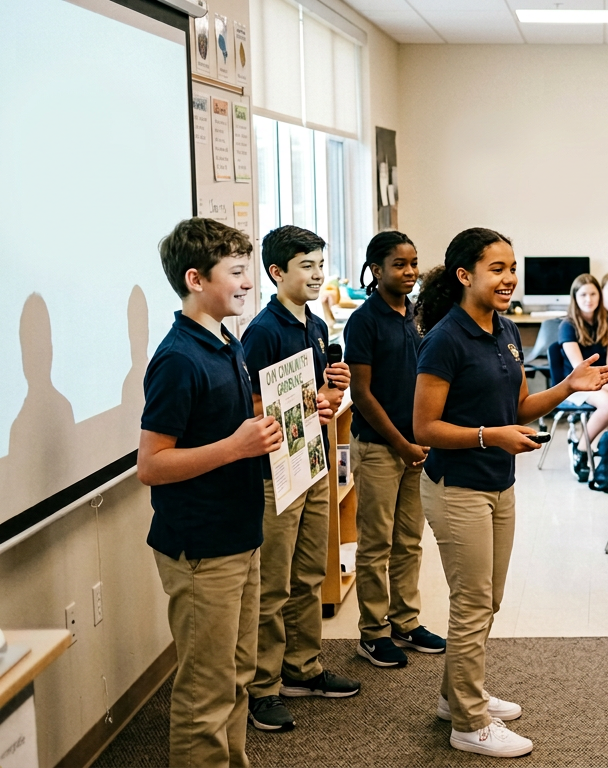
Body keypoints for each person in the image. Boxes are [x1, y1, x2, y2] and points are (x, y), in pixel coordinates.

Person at [413, 228, 608, 757]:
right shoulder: (445, 338)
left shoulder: (505, 329)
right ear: (465, 276)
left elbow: (519, 407)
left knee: (489, 598)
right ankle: (468, 723)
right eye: (497, 269)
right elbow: (424, 427)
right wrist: (488, 436)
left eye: (512, 268)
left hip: (498, 482)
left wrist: (569, 387)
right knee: (473, 601)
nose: (509, 278)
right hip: (456, 486)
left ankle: (455, 695)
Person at [138, 219, 283, 767]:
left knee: (237, 677)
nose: (248, 284)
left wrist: (289, 417)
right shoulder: (178, 358)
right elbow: (151, 464)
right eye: (237, 273)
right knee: (205, 693)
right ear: (195, 279)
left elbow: (231, 421)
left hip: (239, 534)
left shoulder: (226, 341)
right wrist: (236, 446)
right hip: (199, 547)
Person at [241, 226, 356, 732]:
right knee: (274, 584)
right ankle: (263, 688)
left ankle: (302, 668)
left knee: (310, 573)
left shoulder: (314, 325)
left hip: (312, 460)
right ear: (277, 273)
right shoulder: (263, 332)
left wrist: (332, 392)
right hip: (275, 473)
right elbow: (247, 406)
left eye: (319, 265)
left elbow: (317, 400)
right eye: (305, 266)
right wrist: (303, 401)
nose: (317, 275)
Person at [345, 231, 445, 669]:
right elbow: (362, 393)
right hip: (381, 447)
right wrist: (401, 443)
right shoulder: (363, 321)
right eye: (399, 264)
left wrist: (420, 441)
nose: (409, 272)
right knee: (375, 544)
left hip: (417, 447)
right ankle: (373, 631)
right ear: (376, 270)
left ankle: (405, 620)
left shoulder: (416, 315)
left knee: (409, 541)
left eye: (413, 263)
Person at [554, 273, 608, 483]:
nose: (588, 299)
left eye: (592, 294)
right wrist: (607, 387)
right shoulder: (568, 325)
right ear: (575, 297)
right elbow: (579, 369)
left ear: (599, 296)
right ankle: (581, 448)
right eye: (583, 295)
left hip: (602, 380)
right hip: (575, 383)